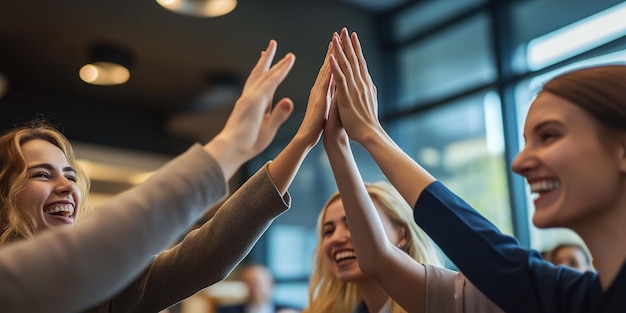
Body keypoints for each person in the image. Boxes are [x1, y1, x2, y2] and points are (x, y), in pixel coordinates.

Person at [329, 26, 626, 312]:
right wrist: (350, 140)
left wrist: (371, 134)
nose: (519, 163)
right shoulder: (575, 298)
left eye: (549, 135)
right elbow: (494, 259)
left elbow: (490, 255)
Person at [0, 39, 298, 313]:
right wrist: (231, 145)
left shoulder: (106, 292)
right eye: (42, 175)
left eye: (71, 176)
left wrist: (302, 142)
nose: (66, 186)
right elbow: (120, 232)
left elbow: (203, 257)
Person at [302, 177, 447, 313]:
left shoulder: (443, 305)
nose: (336, 238)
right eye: (328, 231)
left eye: (353, 224)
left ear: (403, 235)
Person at [217, 263, 301, 313]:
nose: (253, 288)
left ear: (270, 284)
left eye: (257, 283)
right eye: (248, 283)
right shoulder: (226, 311)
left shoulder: (292, 310)